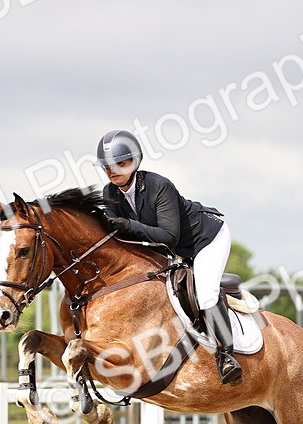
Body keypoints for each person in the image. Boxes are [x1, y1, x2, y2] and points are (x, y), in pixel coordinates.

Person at [94, 129, 242, 385]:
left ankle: (227, 356)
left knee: (205, 293)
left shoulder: (158, 186)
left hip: (205, 239)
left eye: (120, 163)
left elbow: (168, 236)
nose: (112, 170)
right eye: (107, 166)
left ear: (135, 161)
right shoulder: (110, 193)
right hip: (172, 250)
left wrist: (127, 225)